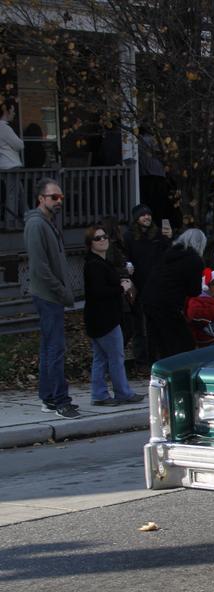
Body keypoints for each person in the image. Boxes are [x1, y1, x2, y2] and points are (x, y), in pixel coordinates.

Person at [24, 178, 79, 418]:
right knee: (55, 349)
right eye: (53, 197)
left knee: (49, 349)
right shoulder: (36, 225)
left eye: (61, 198)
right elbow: (39, 267)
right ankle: (60, 400)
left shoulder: (47, 223)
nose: (58, 201)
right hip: (48, 296)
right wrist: (61, 290)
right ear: (41, 199)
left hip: (52, 295)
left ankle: (48, 398)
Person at [83, 225, 144, 406]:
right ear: (90, 244)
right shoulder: (94, 265)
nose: (103, 240)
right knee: (116, 357)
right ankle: (122, 392)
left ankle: (99, 394)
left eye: (104, 236)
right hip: (105, 319)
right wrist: (121, 287)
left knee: (101, 358)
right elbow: (98, 291)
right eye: (97, 238)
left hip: (99, 318)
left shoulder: (101, 262)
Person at [141, 229, 206, 361]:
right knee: (183, 341)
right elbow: (194, 291)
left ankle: (158, 366)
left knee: (159, 339)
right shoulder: (194, 260)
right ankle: (176, 370)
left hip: (149, 299)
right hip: (168, 304)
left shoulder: (169, 253)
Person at [124, 203, 171, 363]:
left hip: (156, 286)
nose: (147, 217)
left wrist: (168, 239)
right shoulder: (129, 236)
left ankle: (156, 356)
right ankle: (141, 358)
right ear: (137, 218)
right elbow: (125, 257)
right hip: (138, 285)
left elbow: (167, 255)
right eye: (143, 215)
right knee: (138, 323)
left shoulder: (157, 235)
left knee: (156, 323)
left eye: (149, 214)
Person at [0, 97, 24, 228]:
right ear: (7, 111)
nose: (14, 114)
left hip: (5, 165)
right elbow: (20, 145)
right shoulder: (4, 128)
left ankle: (26, 216)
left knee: (19, 193)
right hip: (10, 165)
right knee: (12, 195)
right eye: (13, 111)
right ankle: (11, 222)